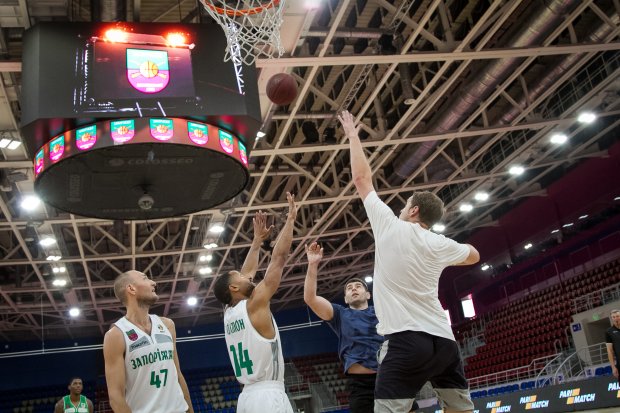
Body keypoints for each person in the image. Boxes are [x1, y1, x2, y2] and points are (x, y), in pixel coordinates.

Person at [338, 110, 480, 413]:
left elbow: (361, 179)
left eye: (405, 206)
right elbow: (474, 254)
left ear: (414, 211)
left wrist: (352, 136)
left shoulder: (390, 226)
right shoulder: (440, 243)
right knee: (461, 410)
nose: (402, 209)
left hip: (406, 340)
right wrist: (454, 251)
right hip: (445, 341)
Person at [213, 192, 297, 413]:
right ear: (234, 288)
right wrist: (290, 220)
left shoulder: (229, 311)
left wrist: (257, 241)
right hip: (268, 396)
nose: (247, 277)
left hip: (247, 398)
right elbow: (279, 259)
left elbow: (248, 271)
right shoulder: (254, 304)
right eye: (239, 277)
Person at [303, 241, 383, 413]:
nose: (354, 289)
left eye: (358, 286)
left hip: (390, 377)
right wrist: (313, 265)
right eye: (349, 288)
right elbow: (310, 298)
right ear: (346, 298)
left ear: (368, 295)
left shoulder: (382, 310)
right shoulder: (340, 314)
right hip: (360, 386)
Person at [103, 270, 193, 413]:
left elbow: (178, 375)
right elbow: (116, 397)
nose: (153, 282)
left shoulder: (167, 325)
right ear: (131, 288)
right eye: (145, 278)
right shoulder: (116, 335)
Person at [606, 309, 620, 379]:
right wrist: (613, 367)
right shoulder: (609, 332)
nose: (616, 318)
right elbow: (609, 350)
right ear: (611, 318)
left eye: (617, 316)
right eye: (613, 317)